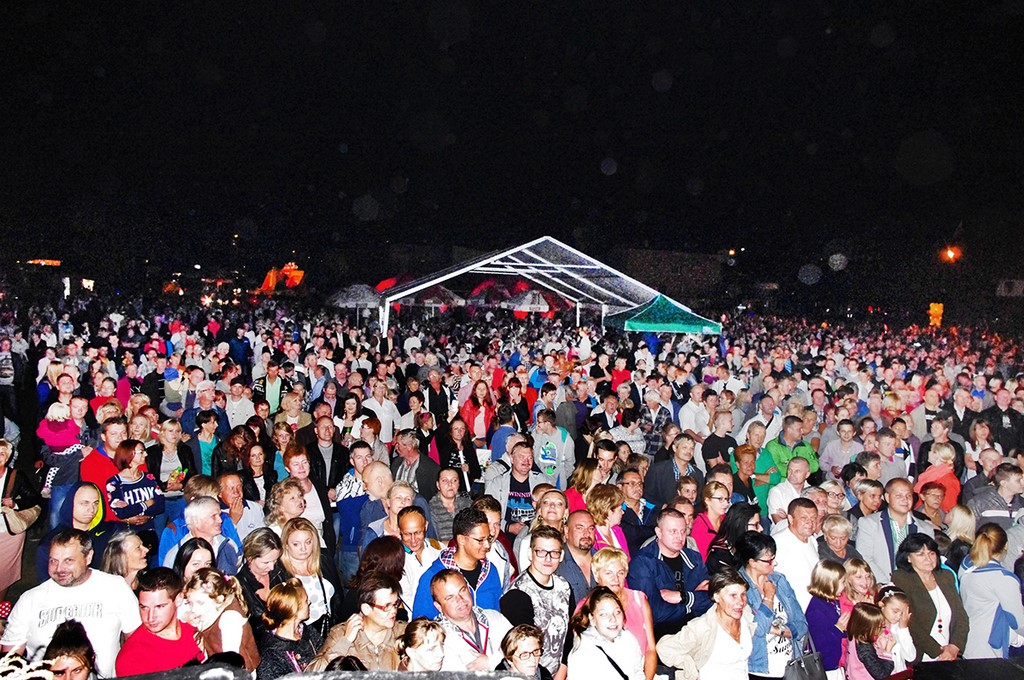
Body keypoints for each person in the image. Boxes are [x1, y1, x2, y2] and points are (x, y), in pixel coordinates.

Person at [1, 529, 141, 677]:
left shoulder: (115, 588)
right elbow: (9, 658)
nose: (59, 569)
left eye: (68, 561)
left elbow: (137, 643)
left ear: (88, 557)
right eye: (53, 561)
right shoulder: (30, 599)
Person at [500, 526, 572, 680]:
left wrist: (562, 670)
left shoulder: (564, 586)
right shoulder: (517, 594)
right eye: (541, 552)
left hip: (560, 672)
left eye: (554, 553)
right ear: (530, 554)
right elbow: (523, 649)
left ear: (561, 556)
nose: (548, 559)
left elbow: (570, 631)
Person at [656, 568, 756, 680]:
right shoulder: (703, 626)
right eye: (733, 595)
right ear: (717, 597)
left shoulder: (745, 616)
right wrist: (692, 671)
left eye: (743, 594)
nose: (741, 601)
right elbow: (664, 648)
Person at [628, 507, 711, 637]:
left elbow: (712, 597)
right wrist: (693, 601)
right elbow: (654, 612)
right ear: (659, 532)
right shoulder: (643, 563)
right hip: (663, 636)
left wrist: (682, 597)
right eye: (673, 531)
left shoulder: (694, 558)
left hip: (697, 630)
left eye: (683, 531)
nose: (680, 537)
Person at [736, 531, 807, 679]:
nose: (775, 563)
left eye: (774, 558)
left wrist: (779, 630)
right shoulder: (737, 588)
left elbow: (802, 624)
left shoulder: (779, 580)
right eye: (769, 560)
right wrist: (768, 597)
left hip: (791, 666)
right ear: (752, 562)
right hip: (759, 670)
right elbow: (757, 630)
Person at [581, 547, 658, 680]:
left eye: (620, 573)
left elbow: (651, 649)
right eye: (609, 573)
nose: (615, 579)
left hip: (641, 673)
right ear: (597, 576)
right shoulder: (586, 606)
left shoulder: (639, 599)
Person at [890, 533, 968, 662]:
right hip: (920, 654)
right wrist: (938, 652)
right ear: (908, 558)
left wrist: (954, 647)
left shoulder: (946, 576)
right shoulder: (901, 578)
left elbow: (961, 616)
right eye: (920, 554)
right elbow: (910, 622)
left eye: (931, 553)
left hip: (950, 653)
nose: (928, 559)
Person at [411, 507, 503, 617]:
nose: (487, 545)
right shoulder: (432, 577)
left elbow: (497, 614)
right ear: (461, 539)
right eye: (480, 540)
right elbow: (421, 623)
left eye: (488, 539)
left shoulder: (490, 570)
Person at [308, 571, 407, 671]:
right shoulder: (341, 633)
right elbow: (312, 673)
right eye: (387, 606)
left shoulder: (404, 632)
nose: (394, 610)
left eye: (395, 604)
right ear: (366, 609)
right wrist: (345, 643)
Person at [115, 568, 204, 675]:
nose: (150, 617)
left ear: (178, 599)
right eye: (144, 607)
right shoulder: (132, 657)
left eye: (159, 606)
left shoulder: (197, 628)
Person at [960, 523, 1024, 658]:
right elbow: (1017, 621)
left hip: (967, 642)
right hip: (989, 649)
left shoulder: (966, 565)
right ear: (1006, 545)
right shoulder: (1003, 579)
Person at [430, 568, 512, 670]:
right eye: (450, 597)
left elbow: (524, 647)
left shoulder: (494, 617)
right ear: (438, 606)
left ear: (469, 590)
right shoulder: (436, 638)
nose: (460, 599)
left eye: (462, 590)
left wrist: (492, 661)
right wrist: (503, 655)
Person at [857, 477, 935, 582]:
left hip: (915, 585)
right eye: (899, 496)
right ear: (887, 497)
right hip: (881, 584)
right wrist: (887, 583)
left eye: (908, 496)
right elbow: (864, 557)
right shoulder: (869, 523)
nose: (905, 500)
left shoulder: (925, 529)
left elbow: (929, 562)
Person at [182, 567, 261, 671]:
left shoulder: (229, 619)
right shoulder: (208, 611)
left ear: (219, 599)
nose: (193, 609)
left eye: (200, 603)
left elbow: (231, 659)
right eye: (190, 603)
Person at [279, 516, 342, 639]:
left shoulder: (323, 560)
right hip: (301, 637)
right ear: (286, 544)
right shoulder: (280, 573)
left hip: (329, 630)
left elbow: (338, 597)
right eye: (296, 544)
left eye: (308, 542)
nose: (303, 548)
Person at [565, 585, 644, 680]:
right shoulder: (583, 653)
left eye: (617, 612)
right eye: (604, 614)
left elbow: (638, 671)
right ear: (592, 619)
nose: (613, 619)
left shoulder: (628, 638)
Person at [256, 578, 324, 680]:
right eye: (306, 600)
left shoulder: (306, 631)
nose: (309, 602)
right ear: (295, 610)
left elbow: (324, 653)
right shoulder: (270, 654)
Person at [0, 438, 41, 600]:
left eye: (2, 453)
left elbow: (33, 498)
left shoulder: (14, 476)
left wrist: (15, 504)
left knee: (4, 573)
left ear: (8, 457)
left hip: (9, 532)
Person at [163, 496, 239, 573]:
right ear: (196, 521)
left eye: (219, 515)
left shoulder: (229, 545)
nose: (220, 520)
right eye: (213, 516)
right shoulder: (177, 554)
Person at [772, 498, 821, 610]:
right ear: (790, 519)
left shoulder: (812, 540)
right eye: (804, 518)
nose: (810, 523)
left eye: (813, 518)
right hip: (793, 610)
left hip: (814, 607)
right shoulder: (778, 543)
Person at [804, 560, 849, 680]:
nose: (845, 586)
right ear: (829, 583)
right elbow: (820, 643)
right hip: (825, 669)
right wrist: (838, 628)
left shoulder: (832, 601)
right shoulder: (817, 608)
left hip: (835, 663)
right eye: (842, 582)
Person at [236, 527, 286, 630]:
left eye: (275, 560)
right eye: (266, 562)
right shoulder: (238, 586)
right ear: (250, 558)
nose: (272, 567)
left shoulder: (280, 571)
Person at [399, 506, 443, 607]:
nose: (413, 540)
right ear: (399, 530)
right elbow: (407, 597)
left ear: (426, 526)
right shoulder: (395, 558)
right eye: (407, 534)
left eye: (418, 533)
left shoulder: (438, 548)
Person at [644, 434, 704, 508]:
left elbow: (699, 501)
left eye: (692, 448)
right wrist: (662, 506)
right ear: (674, 448)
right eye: (685, 448)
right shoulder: (657, 470)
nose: (689, 451)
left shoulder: (698, 474)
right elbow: (647, 495)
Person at [705, 502, 762, 575]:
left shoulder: (751, 546)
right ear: (740, 525)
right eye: (756, 525)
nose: (761, 528)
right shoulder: (719, 556)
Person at [556, 510, 597, 604]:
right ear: (566, 531)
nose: (587, 534)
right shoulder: (555, 563)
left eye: (591, 528)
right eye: (580, 528)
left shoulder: (604, 561)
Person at [967, 462, 1024, 530]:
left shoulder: (1022, 504)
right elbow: (967, 528)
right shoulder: (980, 502)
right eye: (1018, 480)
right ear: (1004, 483)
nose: (1023, 483)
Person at [391, 429, 442, 501]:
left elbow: (434, 495)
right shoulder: (396, 463)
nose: (395, 447)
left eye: (398, 444)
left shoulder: (430, 468)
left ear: (409, 447)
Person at [875, 586, 916, 674]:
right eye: (895, 611)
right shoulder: (874, 629)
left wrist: (903, 629)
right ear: (881, 605)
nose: (898, 617)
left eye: (902, 613)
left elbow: (910, 656)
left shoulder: (898, 627)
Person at [588, 483, 631, 558]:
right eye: (620, 509)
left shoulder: (618, 531)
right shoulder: (592, 537)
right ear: (609, 511)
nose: (623, 512)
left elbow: (627, 560)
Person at [430, 467, 472, 542]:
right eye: (444, 481)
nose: (450, 484)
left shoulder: (468, 504)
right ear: (438, 485)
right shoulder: (431, 508)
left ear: (458, 484)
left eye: (454, 480)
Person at [691, 480, 731, 559]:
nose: (726, 504)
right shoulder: (699, 526)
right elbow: (701, 559)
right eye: (720, 499)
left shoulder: (727, 520)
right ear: (707, 501)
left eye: (726, 499)